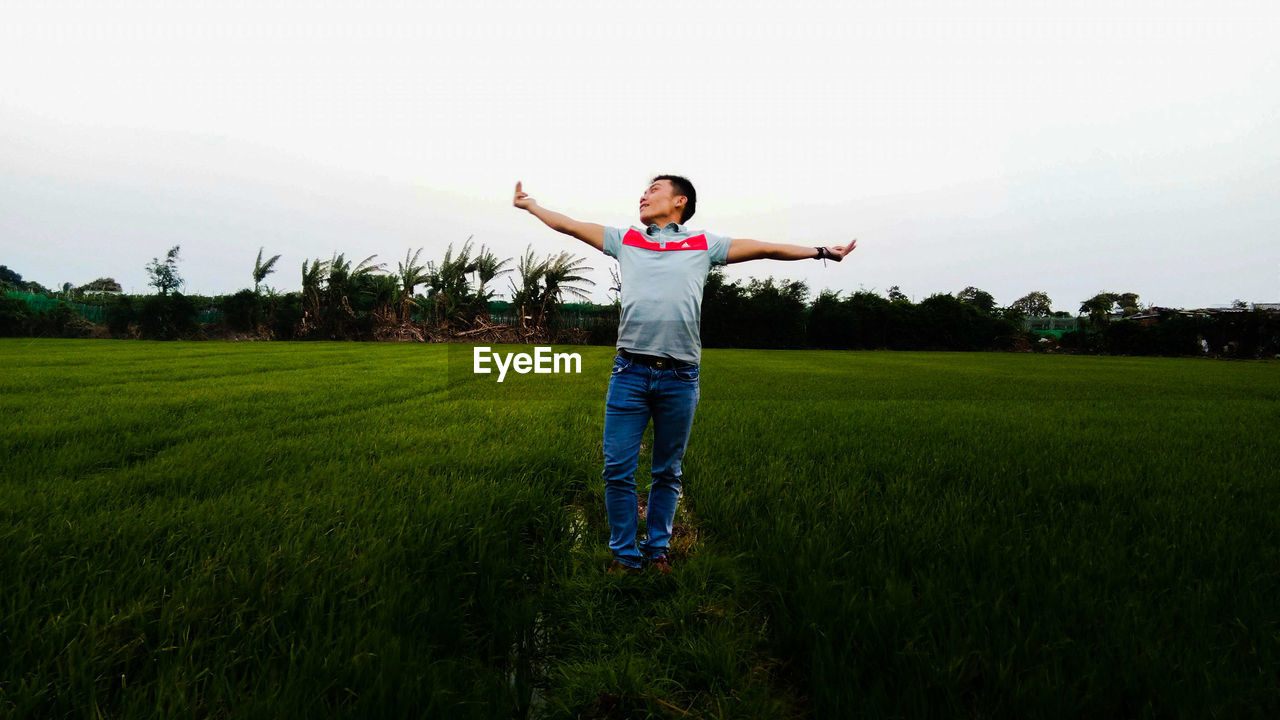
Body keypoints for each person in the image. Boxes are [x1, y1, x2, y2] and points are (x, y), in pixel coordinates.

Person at [513, 175, 856, 575]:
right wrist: (531, 205)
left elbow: (766, 247)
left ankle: (657, 550)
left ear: (680, 201)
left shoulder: (703, 244)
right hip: (629, 372)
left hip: (680, 376)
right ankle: (625, 556)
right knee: (618, 469)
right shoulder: (625, 239)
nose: (643, 194)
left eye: (653, 189)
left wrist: (821, 252)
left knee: (667, 472)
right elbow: (568, 224)